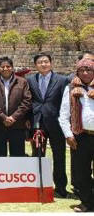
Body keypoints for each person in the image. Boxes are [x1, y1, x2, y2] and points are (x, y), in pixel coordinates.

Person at [27, 53, 70, 198]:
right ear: (35, 65)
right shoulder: (30, 80)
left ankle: (60, 188)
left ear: (51, 63)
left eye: (46, 62)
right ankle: (39, 186)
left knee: (59, 156)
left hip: (57, 123)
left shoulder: (62, 80)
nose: (43, 64)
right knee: (38, 155)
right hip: (38, 122)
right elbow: (29, 101)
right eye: (40, 62)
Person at [58, 58, 94, 212]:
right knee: (81, 173)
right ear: (77, 72)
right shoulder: (70, 88)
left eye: (89, 69)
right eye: (82, 70)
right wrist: (68, 135)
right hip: (80, 137)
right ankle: (87, 202)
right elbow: (63, 115)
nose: (85, 73)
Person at [0, 56, 31, 157]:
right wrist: (3, 117)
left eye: (8, 66)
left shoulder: (22, 82)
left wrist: (13, 117)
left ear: (12, 67)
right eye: (2, 66)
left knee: (17, 156)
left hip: (17, 125)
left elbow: (27, 101)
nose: (5, 68)